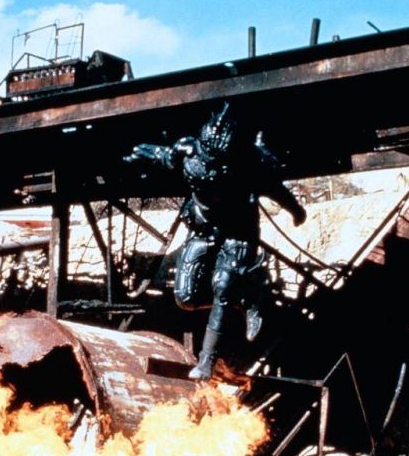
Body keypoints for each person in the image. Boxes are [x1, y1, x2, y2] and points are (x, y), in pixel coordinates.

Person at [124, 103, 306, 380]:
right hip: (202, 228)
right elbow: (162, 155)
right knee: (186, 298)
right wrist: (140, 153)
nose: (213, 167)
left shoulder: (250, 160)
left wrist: (295, 210)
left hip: (238, 230)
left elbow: (275, 188)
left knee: (223, 284)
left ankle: (206, 361)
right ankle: (244, 297)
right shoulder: (187, 152)